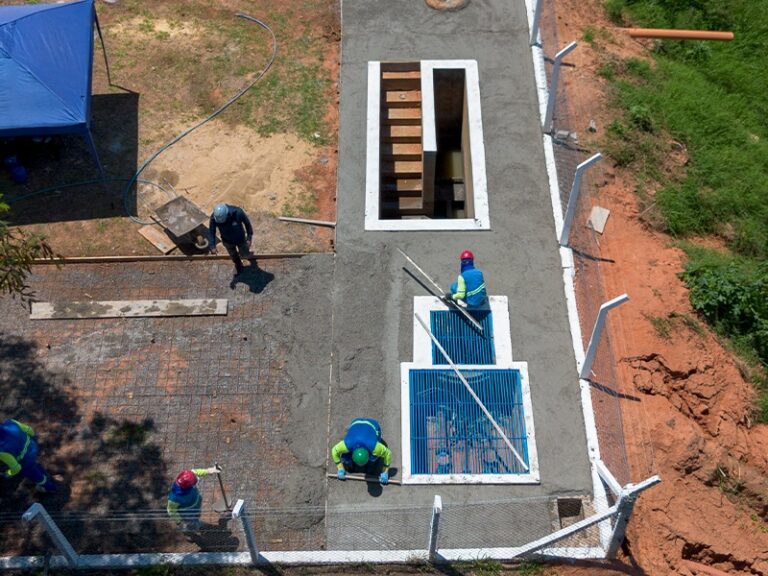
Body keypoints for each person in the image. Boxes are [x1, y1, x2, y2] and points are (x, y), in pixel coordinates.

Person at [0, 418, 57, 493]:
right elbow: (29, 430)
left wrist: (8, 474)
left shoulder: (1, 450)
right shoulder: (10, 422)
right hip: (33, 446)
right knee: (35, 464)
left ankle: (49, 487)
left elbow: (16, 468)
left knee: (34, 474)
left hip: (26, 461)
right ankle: (45, 474)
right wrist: (34, 439)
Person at [331, 418, 392, 485]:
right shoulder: (348, 444)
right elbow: (334, 451)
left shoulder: (374, 447)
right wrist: (340, 468)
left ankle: (371, 464)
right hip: (355, 422)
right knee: (344, 456)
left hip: (373, 425)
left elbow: (388, 453)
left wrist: (385, 471)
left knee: (373, 457)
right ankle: (349, 464)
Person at [166, 466, 221, 531]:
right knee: (191, 521)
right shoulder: (174, 498)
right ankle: (192, 528)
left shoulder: (186, 477)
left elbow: (195, 472)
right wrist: (179, 522)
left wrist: (209, 470)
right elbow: (171, 511)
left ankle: (196, 520)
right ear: (188, 487)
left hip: (195, 504)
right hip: (187, 512)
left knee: (197, 514)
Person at [208, 203, 254, 275]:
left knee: (244, 253)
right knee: (233, 255)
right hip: (227, 241)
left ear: (227, 214)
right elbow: (211, 231)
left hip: (240, 239)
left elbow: (247, 224)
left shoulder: (238, 212)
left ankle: (246, 255)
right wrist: (212, 246)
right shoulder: (214, 217)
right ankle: (238, 264)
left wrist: (249, 238)